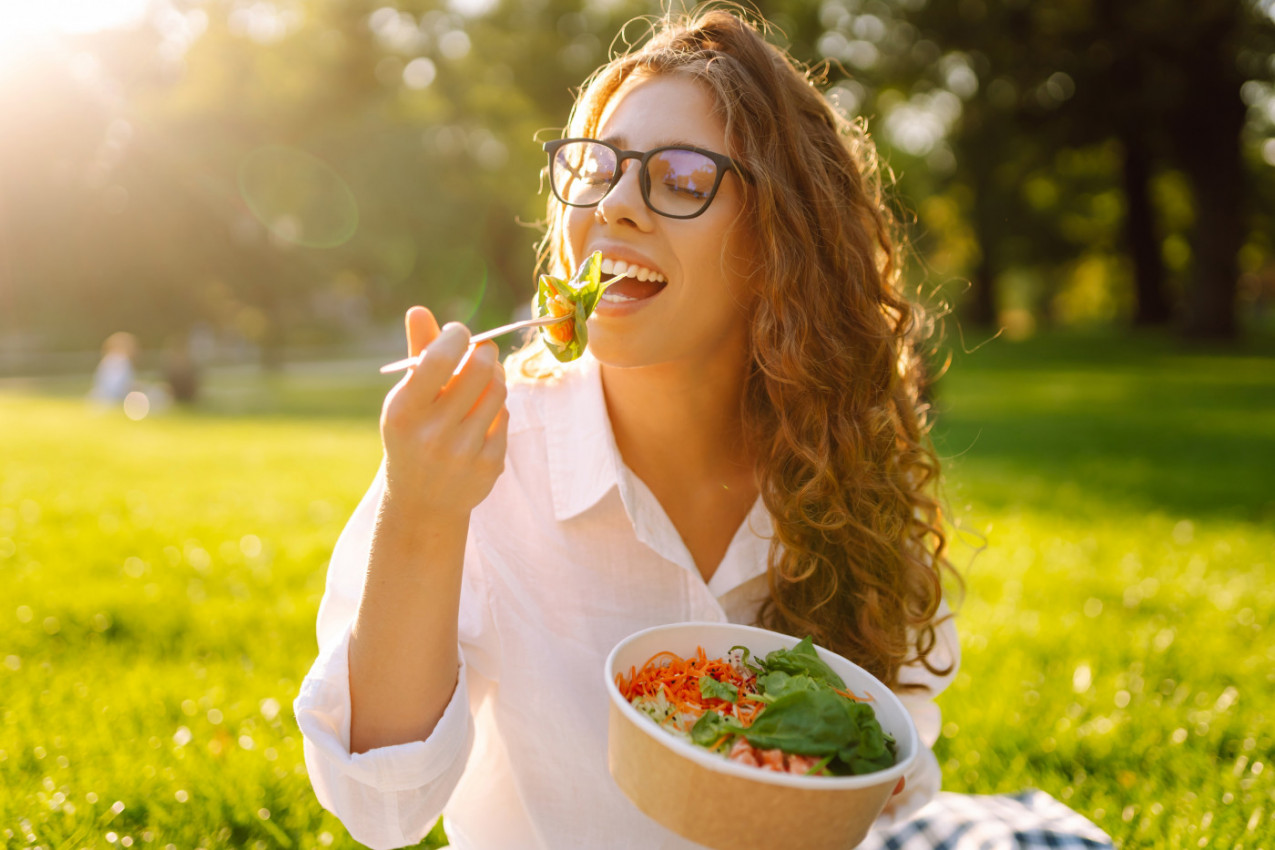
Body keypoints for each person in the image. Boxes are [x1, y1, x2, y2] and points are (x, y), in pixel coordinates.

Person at [295, 8, 1112, 850]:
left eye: (681, 178)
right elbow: (379, 809)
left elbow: (890, 776)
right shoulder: (481, 464)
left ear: (782, 241)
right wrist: (422, 515)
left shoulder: (840, 462)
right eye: (596, 167)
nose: (614, 204)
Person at [88, 331, 139, 405]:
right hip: (113, 398)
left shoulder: (109, 359)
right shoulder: (121, 360)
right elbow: (118, 386)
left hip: (100, 396)